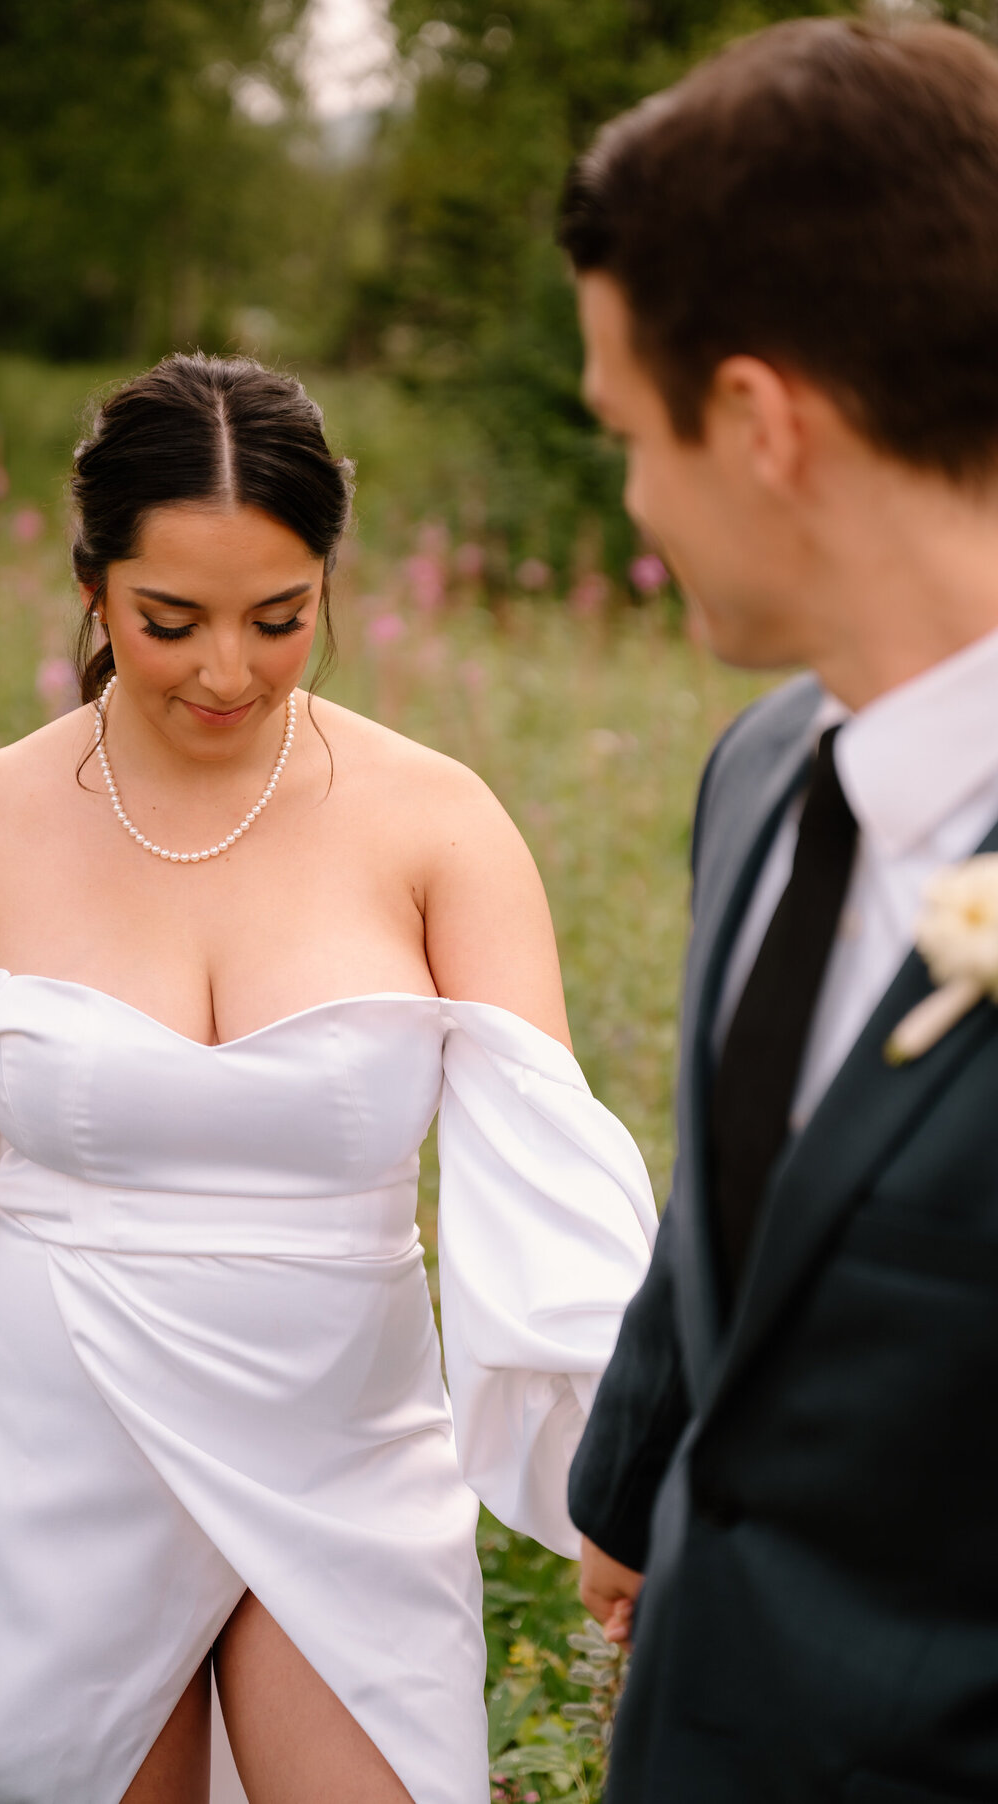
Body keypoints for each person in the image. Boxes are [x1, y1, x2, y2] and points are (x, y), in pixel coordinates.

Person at [0, 353, 657, 1804]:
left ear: (329, 581)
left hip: (343, 1435)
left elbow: (550, 1180)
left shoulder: (438, 821)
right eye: (169, 620)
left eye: (281, 619)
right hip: (49, 1432)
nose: (226, 672)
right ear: (92, 585)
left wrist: (628, 1476)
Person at [560, 16, 998, 1802]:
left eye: (627, 433)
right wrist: (626, 1489)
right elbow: (750, 1186)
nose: (636, 499)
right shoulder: (757, 771)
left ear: (758, 425)